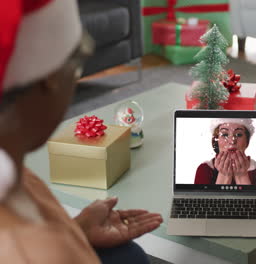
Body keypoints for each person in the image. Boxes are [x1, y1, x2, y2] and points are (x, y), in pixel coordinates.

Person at [0, 0, 162, 263]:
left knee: (128, 254)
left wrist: (78, 230)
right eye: (77, 67)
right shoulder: (36, 251)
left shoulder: (20, 173)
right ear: (50, 79)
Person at [194, 118, 256, 185]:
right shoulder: (205, 169)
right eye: (225, 135)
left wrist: (242, 176)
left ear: (247, 141)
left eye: (238, 134)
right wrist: (224, 176)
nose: (232, 141)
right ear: (216, 141)